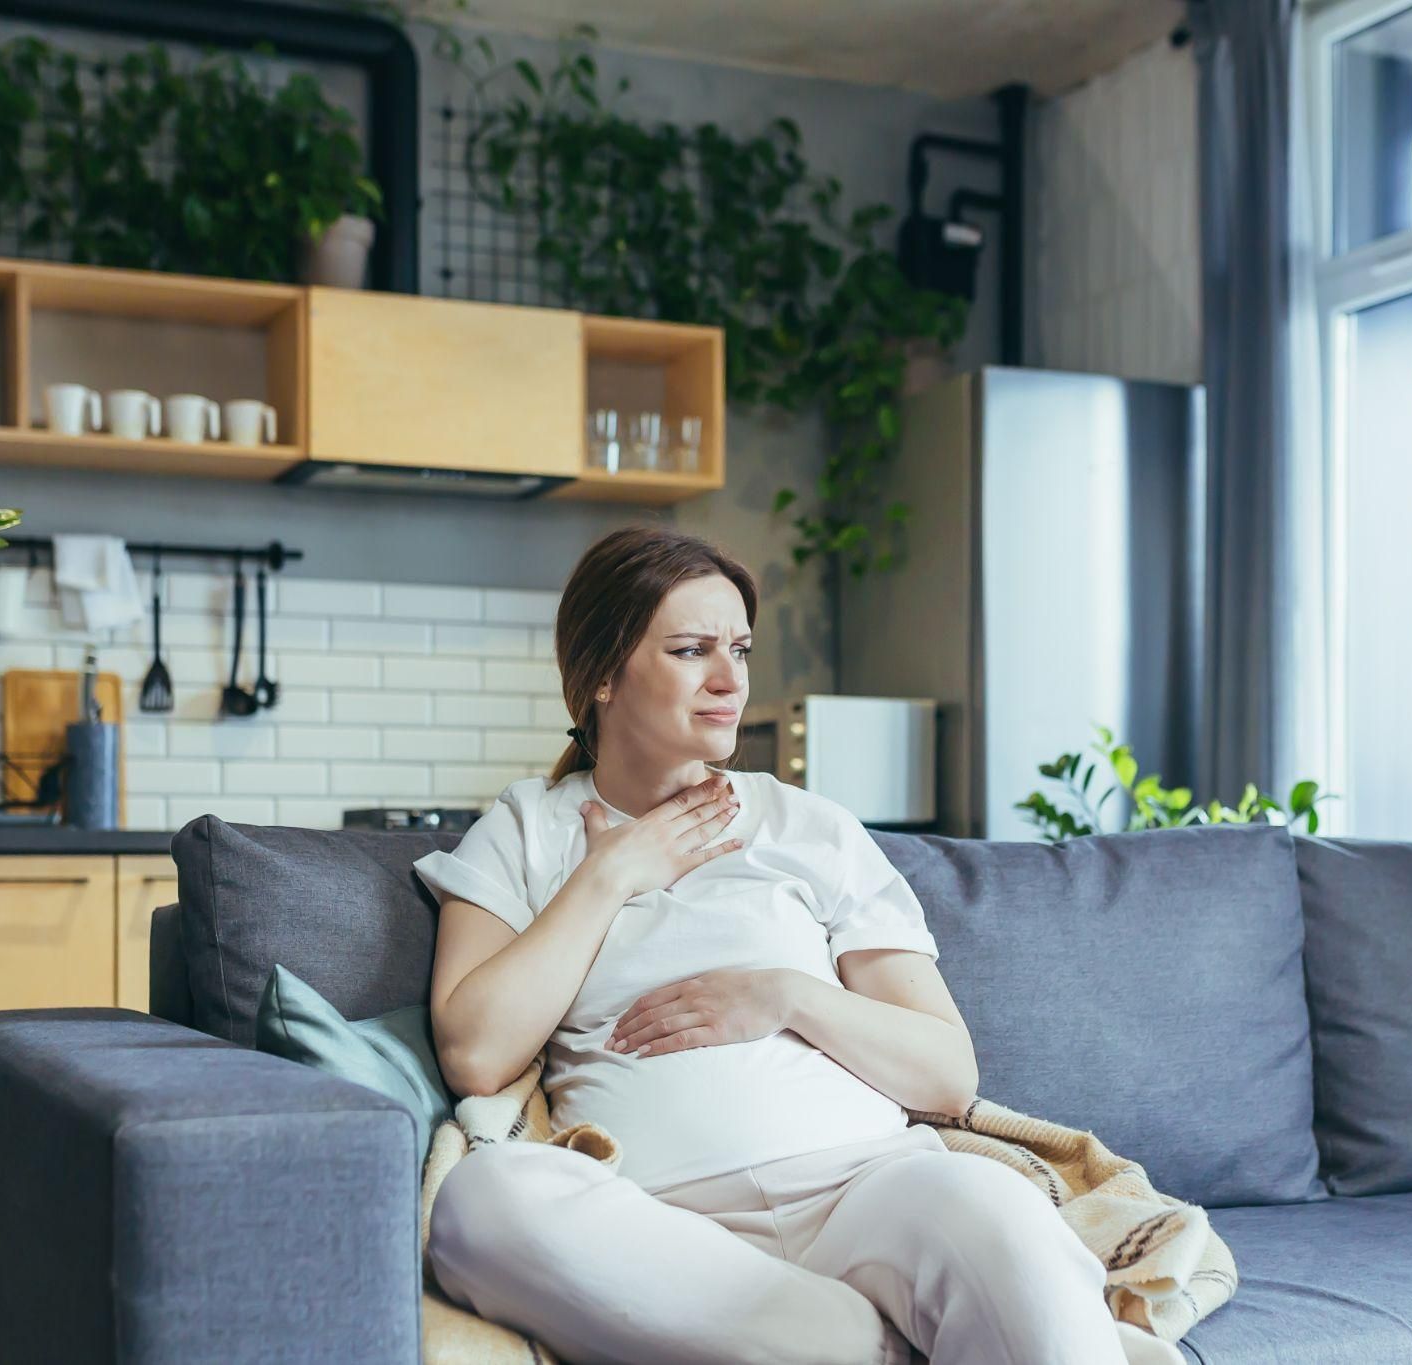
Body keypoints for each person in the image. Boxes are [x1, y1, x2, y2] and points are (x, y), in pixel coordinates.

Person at [419, 526, 1171, 1365]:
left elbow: (948, 1073)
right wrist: (613, 871)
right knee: (480, 1202)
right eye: (691, 649)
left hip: (866, 1188)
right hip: (660, 1227)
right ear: (600, 674)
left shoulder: (808, 826)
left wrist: (785, 994)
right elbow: (476, 1054)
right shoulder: (527, 827)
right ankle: (860, 1342)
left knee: (990, 1209)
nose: (729, 679)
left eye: (738, 647)